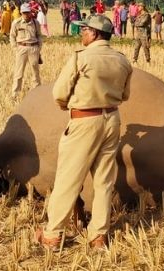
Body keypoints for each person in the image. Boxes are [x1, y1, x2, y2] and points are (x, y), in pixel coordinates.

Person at [37, 14, 132, 250]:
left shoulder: (81, 58)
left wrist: (67, 105)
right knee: (104, 181)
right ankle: (98, 236)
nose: (82, 33)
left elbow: (59, 92)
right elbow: (125, 95)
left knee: (68, 179)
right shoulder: (122, 60)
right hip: (111, 120)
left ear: (95, 33)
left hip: (84, 121)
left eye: (85, 29)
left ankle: (53, 235)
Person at [9, 3, 43, 99]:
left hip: (33, 48)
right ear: (21, 12)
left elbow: (39, 35)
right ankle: (15, 94)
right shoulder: (16, 23)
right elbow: (12, 36)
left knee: (35, 72)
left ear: (30, 12)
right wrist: (15, 48)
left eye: (28, 12)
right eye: (24, 13)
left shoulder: (36, 23)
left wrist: (39, 47)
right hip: (21, 48)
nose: (26, 15)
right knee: (18, 72)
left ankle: (37, 93)